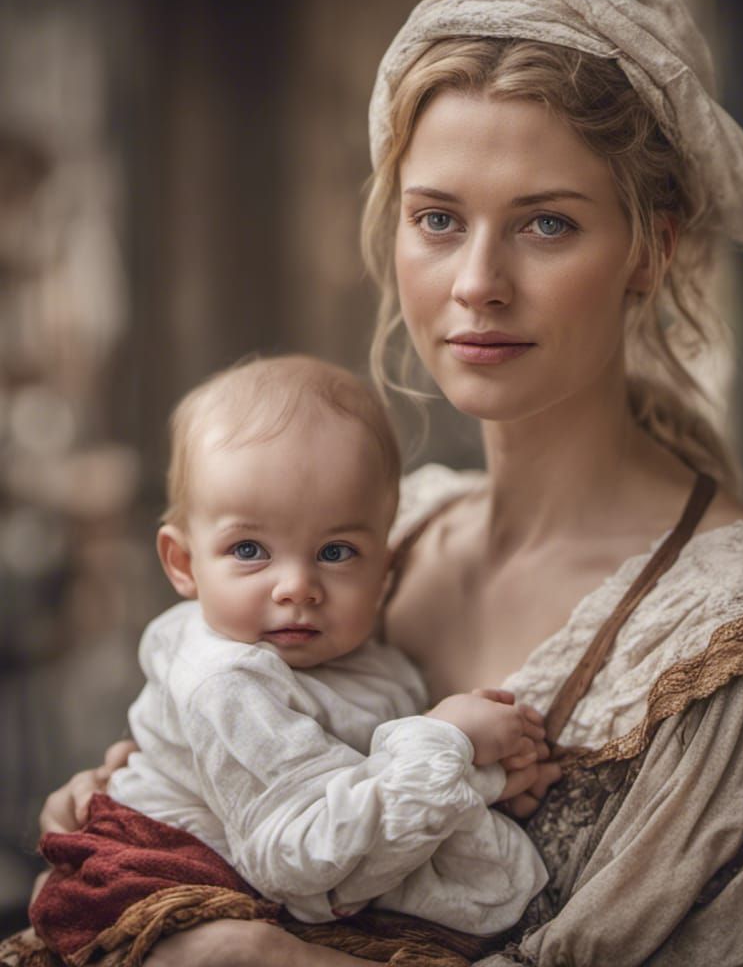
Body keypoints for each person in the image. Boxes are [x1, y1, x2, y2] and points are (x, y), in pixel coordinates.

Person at [24, 0, 743, 966]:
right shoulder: (380, 537)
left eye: (545, 224)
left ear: (650, 250)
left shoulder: (737, 648)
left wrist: (246, 957)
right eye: (438, 219)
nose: (477, 282)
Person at [25, 355, 549, 963]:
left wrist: (482, 782)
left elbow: (360, 789)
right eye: (250, 549)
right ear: (183, 564)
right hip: (172, 884)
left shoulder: (369, 664)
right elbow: (300, 860)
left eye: (336, 551)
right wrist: (447, 744)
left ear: (384, 564)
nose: (296, 586)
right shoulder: (229, 679)